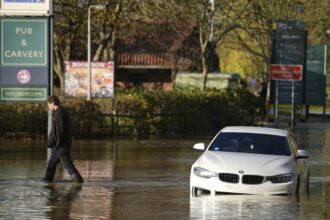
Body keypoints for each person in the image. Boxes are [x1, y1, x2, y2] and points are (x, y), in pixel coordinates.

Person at [43, 95, 84, 183]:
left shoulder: (60, 113)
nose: (49, 107)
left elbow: (60, 130)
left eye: (49, 105)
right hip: (59, 146)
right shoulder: (59, 112)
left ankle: (79, 181)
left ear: (53, 103)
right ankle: (46, 181)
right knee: (51, 164)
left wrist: (58, 144)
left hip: (61, 146)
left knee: (68, 164)